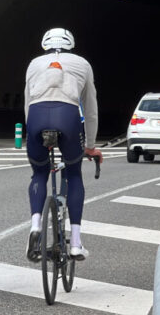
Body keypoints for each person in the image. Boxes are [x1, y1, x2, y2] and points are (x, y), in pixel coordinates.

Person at [23, 28, 102, 262]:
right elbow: (90, 108)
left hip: (36, 116)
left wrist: (32, 134)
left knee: (39, 173)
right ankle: (76, 243)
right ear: (71, 43)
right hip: (67, 117)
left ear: (44, 43)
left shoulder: (34, 64)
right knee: (74, 174)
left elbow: (28, 103)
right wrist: (89, 145)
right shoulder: (82, 64)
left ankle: (35, 225)